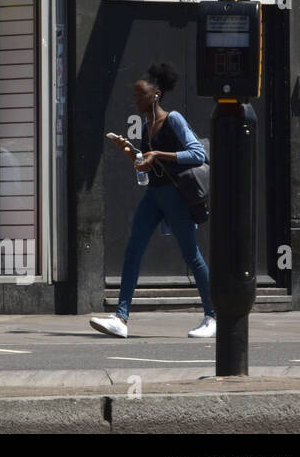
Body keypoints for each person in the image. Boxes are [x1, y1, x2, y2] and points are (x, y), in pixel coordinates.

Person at [90, 62, 215, 340]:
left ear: (155, 94)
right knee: (133, 250)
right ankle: (121, 318)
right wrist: (131, 153)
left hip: (176, 197)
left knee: (191, 256)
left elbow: (197, 154)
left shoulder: (174, 120)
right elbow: (148, 168)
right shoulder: (146, 128)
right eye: (134, 96)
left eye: (140, 95)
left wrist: (157, 153)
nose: (136, 100)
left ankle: (213, 315)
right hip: (154, 195)